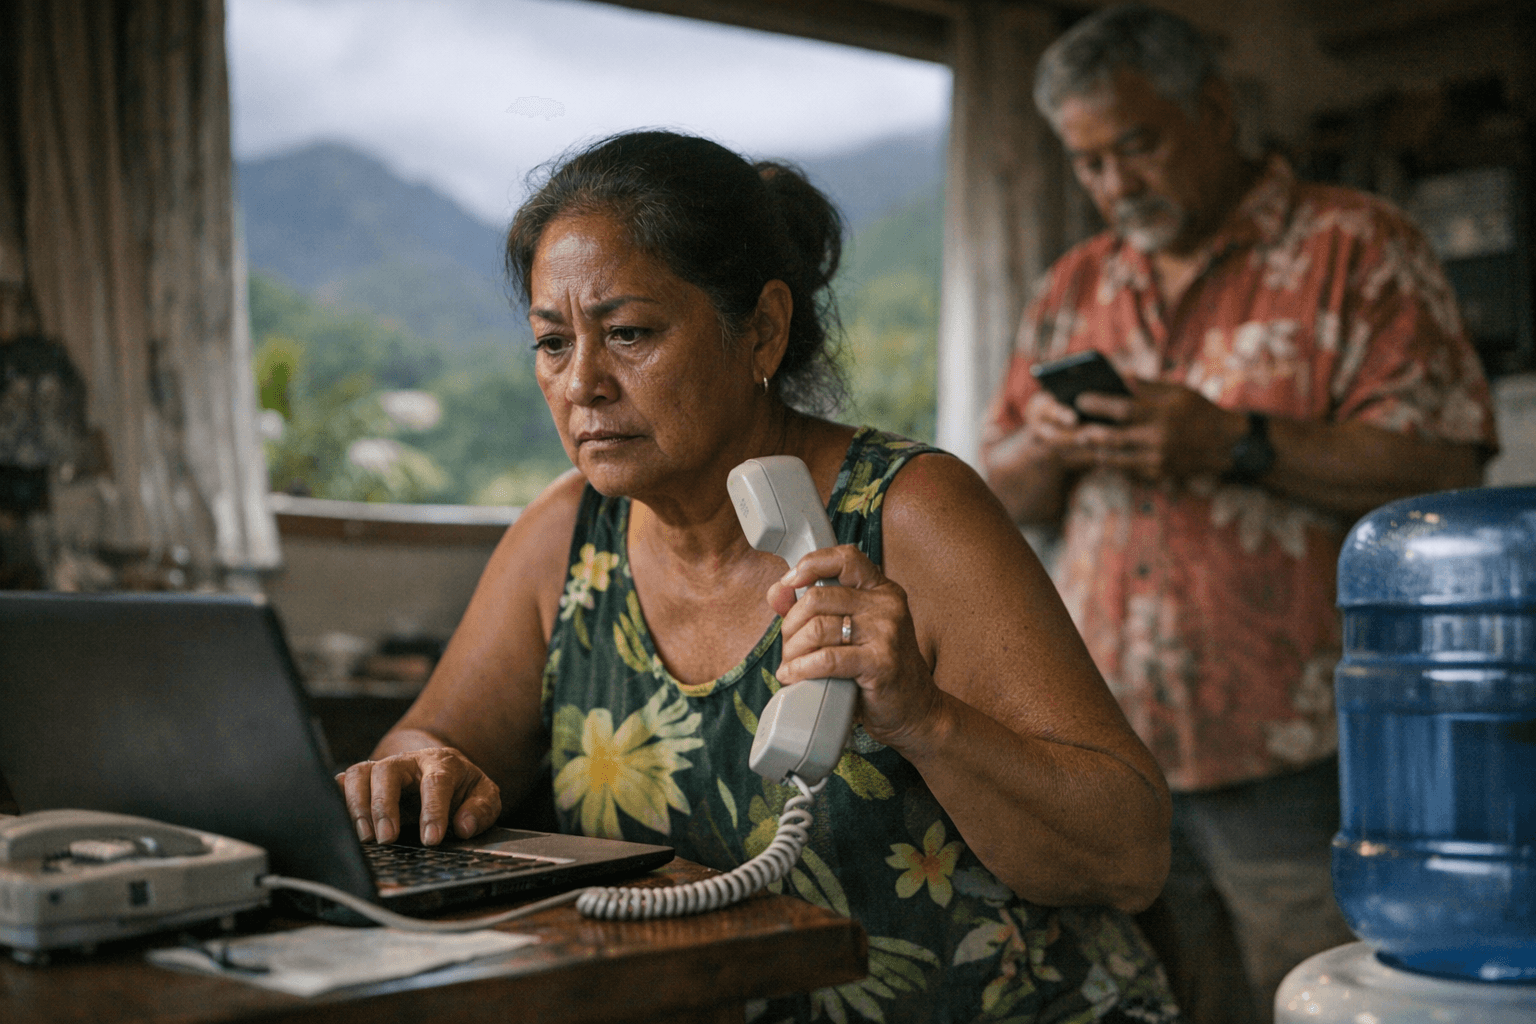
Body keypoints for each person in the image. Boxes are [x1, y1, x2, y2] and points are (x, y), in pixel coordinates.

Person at [339, 129, 1182, 1023]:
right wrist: (416, 772)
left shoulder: (913, 513)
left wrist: (926, 718)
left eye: (628, 333)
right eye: (552, 342)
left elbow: (1130, 858)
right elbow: (429, 739)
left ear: (763, 329)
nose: (582, 382)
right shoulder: (565, 535)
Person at [977, 6, 1498, 1023]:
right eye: (1089, 162)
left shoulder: (1360, 247)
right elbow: (1002, 495)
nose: (1116, 183)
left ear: (1214, 110)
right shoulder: (1076, 282)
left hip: (1297, 752)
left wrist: (1234, 440)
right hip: (1108, 749)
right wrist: (1049, 444)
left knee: (1315, 1000)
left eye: (1138, 144)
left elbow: (1447, 468)